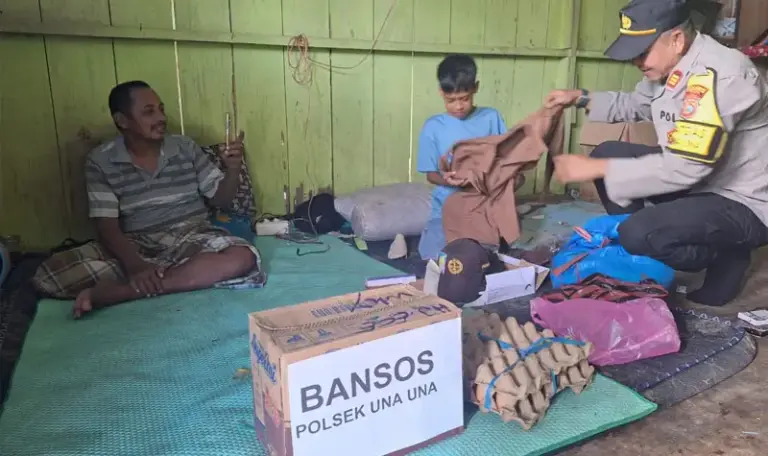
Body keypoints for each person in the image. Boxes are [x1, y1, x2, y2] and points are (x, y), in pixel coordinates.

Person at [544, 0, 768, 307]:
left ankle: (725, 253)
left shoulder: (719, 75)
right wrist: (579, 98)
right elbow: (636, 104)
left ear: (676, 39)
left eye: (642, 51)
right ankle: (654, 239)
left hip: (741, 200)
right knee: (607, 154)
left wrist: (598, 170)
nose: (636, 61)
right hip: (703, 184)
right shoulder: (673, 64)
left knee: (635, 228)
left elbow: (687, 167)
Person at [32, 80, 262, 318]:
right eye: (149, 112)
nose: (161, 118)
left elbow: (221, 201)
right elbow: (106, 227)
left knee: (242, 257)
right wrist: (136, 266)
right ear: (122, 120)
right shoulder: (101, 160)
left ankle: (126, 292)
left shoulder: (185, 148)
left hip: (191, 235)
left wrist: (232, 169)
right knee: (49, 274)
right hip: (137, 244)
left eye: (161, 109)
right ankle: (181, 275)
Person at [416, 54, 508, 260]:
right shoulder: (433, 127)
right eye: (451, 100)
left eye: (464, 98)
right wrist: (449, 180)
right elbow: (431, 175)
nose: (458, 106)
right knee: (433, 257)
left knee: (483, 258)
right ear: (441, 92)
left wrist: (489, 181)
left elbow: (506, 159)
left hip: (483, 204)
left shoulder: (491, 118)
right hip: (447, 206)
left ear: (475, 87)